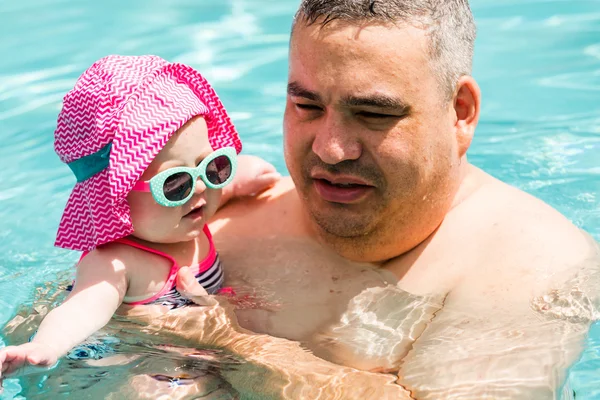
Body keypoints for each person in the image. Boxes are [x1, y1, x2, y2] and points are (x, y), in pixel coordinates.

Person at [138, 0, 600, 399]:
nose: (330, 149)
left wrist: (232, 343)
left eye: (374, 113)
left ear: (460, 112)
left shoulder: (531, 266)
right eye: (307, 107)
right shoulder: (218, 217)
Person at [0, 54, 280, 383]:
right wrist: (48, 344)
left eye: (214, 165)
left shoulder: (187, 211)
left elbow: (214, 185)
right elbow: (84, 307)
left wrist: (236, 178)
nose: (203, 187)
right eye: (176, 183)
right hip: (139, 362)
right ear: (116, 198)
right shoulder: (117, 262)